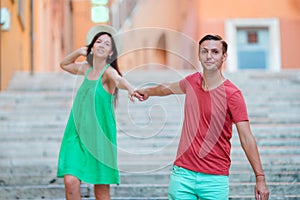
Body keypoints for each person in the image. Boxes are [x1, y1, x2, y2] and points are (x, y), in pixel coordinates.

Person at [135, 34, 269, 200]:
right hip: (183, 174)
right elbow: (166, 88)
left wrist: (260, 178)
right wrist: (147, 92)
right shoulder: (192, 82)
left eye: (215, 52)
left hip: (215, 179)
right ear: (198, 55)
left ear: (224, 56)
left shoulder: (233, 95)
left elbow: (246, 138)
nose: (209, 56)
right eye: (204, 51)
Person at [57, 25, 139, 200]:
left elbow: (118, 79)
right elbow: (64, 64)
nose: (101, 44)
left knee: (101, 192)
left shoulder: (108, 72)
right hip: (76, 134)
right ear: (92, 47)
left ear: (111, 53)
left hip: (99, 138)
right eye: (98, 41)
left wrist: (131, 88)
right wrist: (79, 51)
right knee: (70, 182)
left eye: (107, 43)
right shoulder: (85, 68)